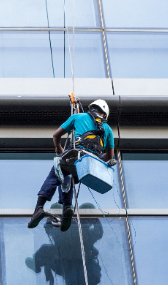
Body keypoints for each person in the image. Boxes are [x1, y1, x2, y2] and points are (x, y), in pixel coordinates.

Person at [28, 99, 115, 232]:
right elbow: (109, 156)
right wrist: (97, 159)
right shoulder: (108, 129)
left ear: (92, 108)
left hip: (75, 154)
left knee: (56, 174)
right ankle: (67, 208)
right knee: (67, 178)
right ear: (104, 115)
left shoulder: (78, 117)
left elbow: (56, 135)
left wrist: (58, 147)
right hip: (88, 164)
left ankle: (39, 208)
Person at [25, 203, 104, 285]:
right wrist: (95, 219)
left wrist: (51, 218)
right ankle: (36, 264)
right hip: (67, 261)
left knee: (45, 250)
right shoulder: (86, 233)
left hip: (71, 262)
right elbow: (99, 233)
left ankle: (36, 264)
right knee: (45, 250)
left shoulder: (77, 231)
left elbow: (48, 229)